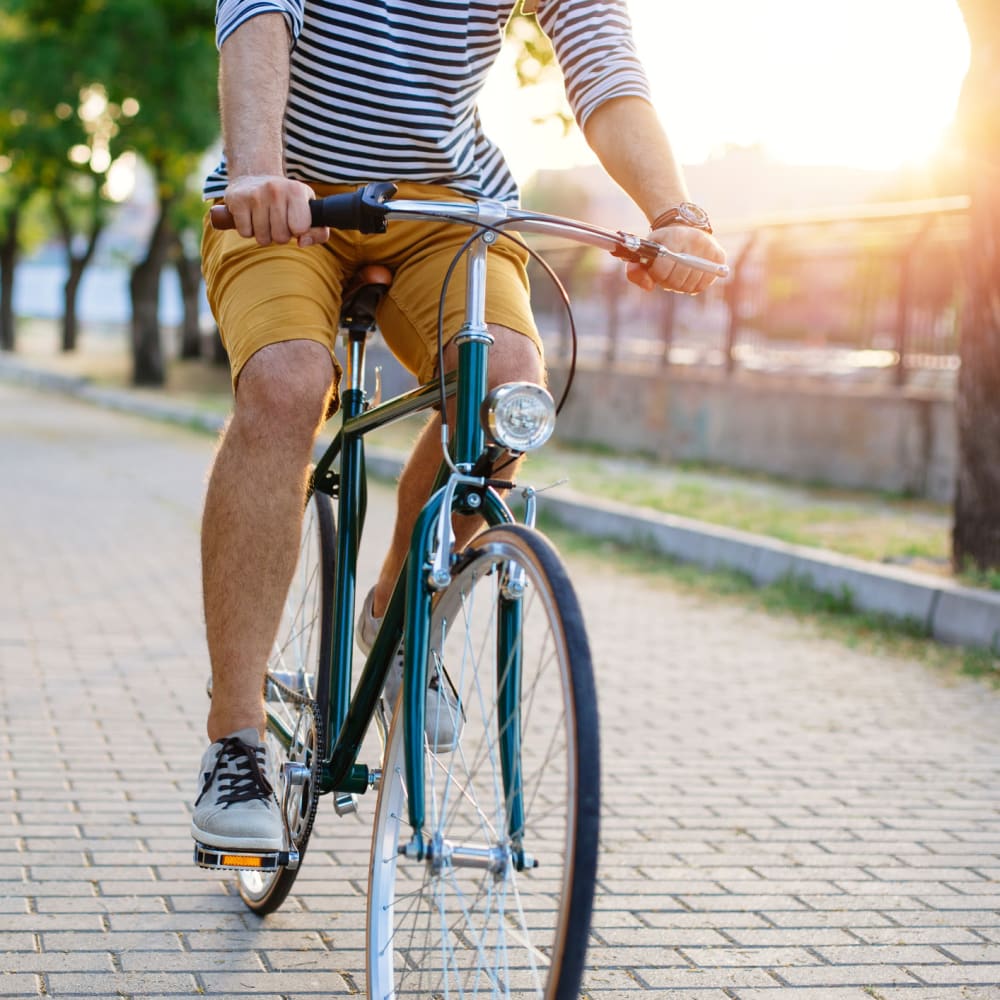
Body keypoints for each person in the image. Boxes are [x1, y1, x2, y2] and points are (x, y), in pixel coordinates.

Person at [191, 0, 727, 858]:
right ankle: (236, 739)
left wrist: (673, 210)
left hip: (445, 202)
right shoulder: (271, 176)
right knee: (287, 384)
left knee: (509, 390)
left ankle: (396, 619)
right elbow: (258, 10)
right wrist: (258, 169)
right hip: (289, 192)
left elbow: (600, 56)